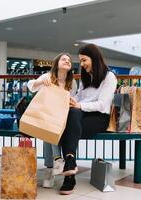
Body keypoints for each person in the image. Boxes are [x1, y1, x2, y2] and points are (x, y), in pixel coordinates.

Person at [58, 44, 117, 195]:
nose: (82, 64)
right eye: (81, 61)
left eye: (84, 60)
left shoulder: (109, 77)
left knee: (68, 122)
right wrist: (70, 100)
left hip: (99, 118)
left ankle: (69, 177)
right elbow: (79, 97)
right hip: (80, 115)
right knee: (72, 115)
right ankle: (70, 162)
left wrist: (79, 105)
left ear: (94, 58)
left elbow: (102, 105)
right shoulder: (86, 77)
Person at [27, 53, 77, 188]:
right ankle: (56, 161)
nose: (67, 61)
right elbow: (31, 85)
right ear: (57, 63)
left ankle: (53, 165)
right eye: (64, 59)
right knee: (48, 128)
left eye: (69, 60)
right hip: (46, 115)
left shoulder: (72, 82)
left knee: (51, 130)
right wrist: (41, 82)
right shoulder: (48, 76)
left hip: (64, 117)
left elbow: (73, 100)